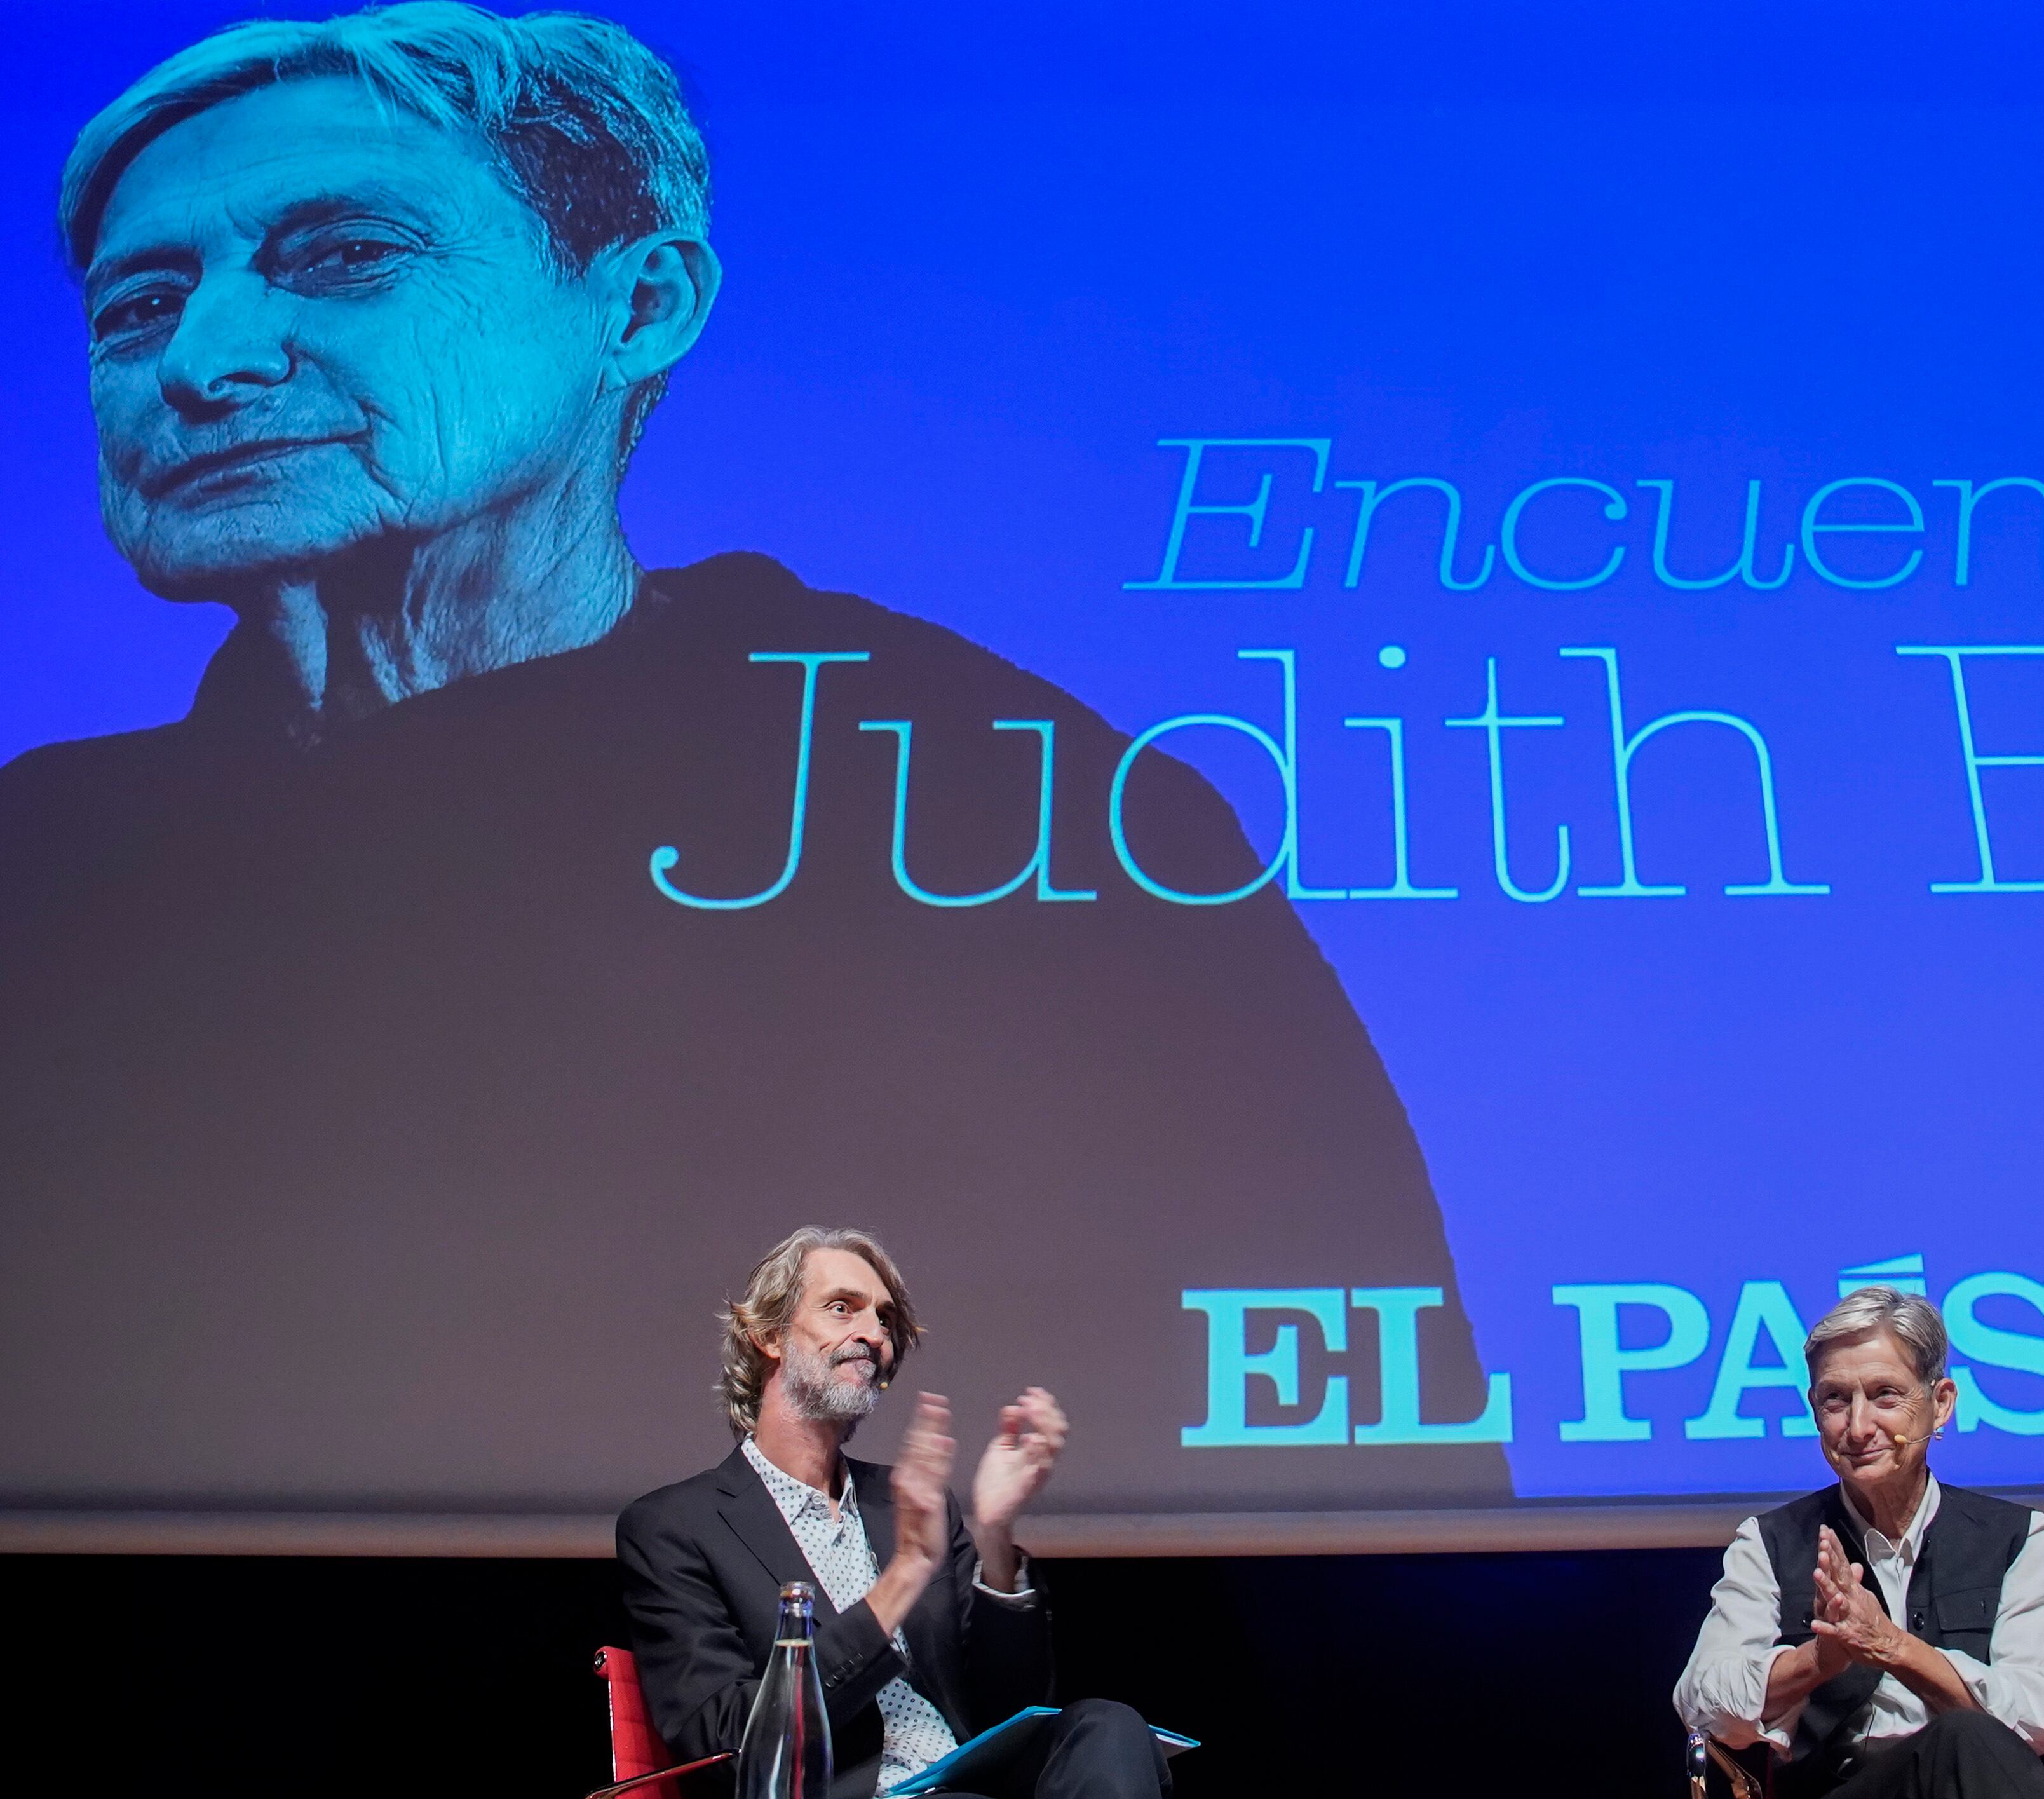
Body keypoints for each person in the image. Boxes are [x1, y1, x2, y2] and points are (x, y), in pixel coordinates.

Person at [0, 4, 1503, 1525]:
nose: (201, 360)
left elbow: (1367, 1454)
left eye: (343, 257)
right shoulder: (41, 859)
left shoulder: (1005, 790)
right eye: (140, 305)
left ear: (640, 304)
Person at [618, 1225, 1222, 1799]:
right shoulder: (679, 1525)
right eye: (843, 1308)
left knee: (1114, 1732)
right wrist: (903, 1575)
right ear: (768, 1335)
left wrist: (993, 1537)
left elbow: (1010, 1704)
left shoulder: (904, 1503)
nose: (873, 1334)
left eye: (883, 1319)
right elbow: (727, 1738)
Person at [1672, 1286, 2044, 1799]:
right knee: (1959, 1740)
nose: (1858, 1426)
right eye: (1835, 1400)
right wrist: (1820, 1660)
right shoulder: (1771, 1542)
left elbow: (2035, 1718)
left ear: (1940, 1402)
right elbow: (1702, 1704)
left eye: (1885, 1395)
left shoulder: (2021, 1538)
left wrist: (1893, 1647)